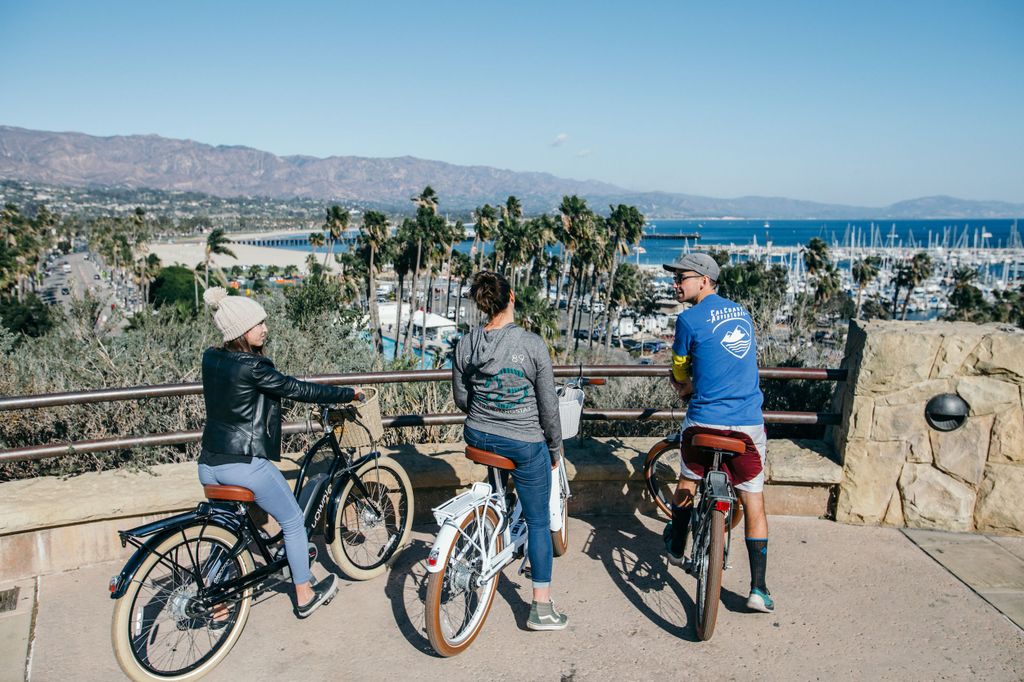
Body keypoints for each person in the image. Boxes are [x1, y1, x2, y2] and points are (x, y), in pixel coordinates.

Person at [199, 286, 360, 618]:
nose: (265, 328)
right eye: (259, 324)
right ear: (242, 330)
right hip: (243, 464)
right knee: (292, 521)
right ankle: (304, 594)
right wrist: (348, 394)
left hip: (209, 463)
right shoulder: (252, 367)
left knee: (228, 529)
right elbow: (296, 389)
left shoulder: (211, 358)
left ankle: (214, 602)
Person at [451, 271, 568, 631]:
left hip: (479, 437)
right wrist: (555, 447)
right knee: (537, 521)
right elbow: (548, 406)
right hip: (522, 440)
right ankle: (541, 608)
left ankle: (493, 528)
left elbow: (461, 398)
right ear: (512, 297)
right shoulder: (531, 344)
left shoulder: (466, 343)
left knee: (501, 490)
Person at [661, 253, 774, 613]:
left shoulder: (689, 320)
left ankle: (677, 545)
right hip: (746, 425)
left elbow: (679, 369)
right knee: (754, 501)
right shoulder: (742, 313)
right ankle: (759, 589)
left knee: (688, 481)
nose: (676, 284)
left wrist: (683, 386)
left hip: (703, 421)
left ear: (704, 281)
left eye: (682, 278)